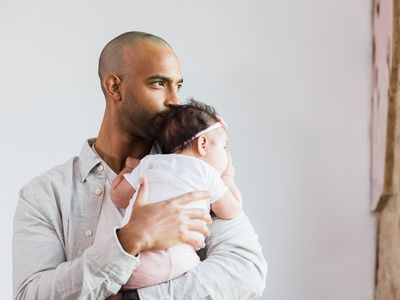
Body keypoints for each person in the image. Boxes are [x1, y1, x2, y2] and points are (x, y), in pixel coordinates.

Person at [12, 31, 267, 299]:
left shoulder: (195, 169)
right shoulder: (44, 195)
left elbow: (246, 271)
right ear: (114, 87)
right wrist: (129, 239)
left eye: (177, 86)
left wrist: (133, 298)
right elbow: (31, 295)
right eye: (159, 83)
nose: (175, 101)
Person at [111, 100, 243, 291]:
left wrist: (129, 170)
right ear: (203, 144)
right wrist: (228, 178)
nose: (227, 155)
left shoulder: (149, 163)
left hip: (136, 266)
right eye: (224, 147)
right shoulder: (207, 173)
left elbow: (118, 197)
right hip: (181, 263)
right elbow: (231, 210)